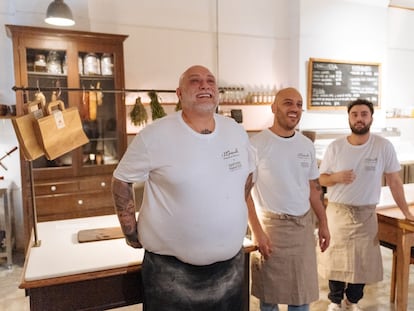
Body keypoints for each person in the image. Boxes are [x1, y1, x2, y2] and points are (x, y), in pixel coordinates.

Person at [111, 65, 256, 311]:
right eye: (195, 81)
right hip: (169, 275)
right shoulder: (154, 135)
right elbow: (121, 180)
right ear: (179, 93)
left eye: (210, 81)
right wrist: (130, 232)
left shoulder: (235, 131)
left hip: (230, 269)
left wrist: (232, 213)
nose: (205, 85)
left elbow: (248, 176)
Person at [318, 98, 414, 311]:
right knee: (336, 261)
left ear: (371, 118)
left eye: (364, 114)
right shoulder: (335, 147)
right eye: (355, 114)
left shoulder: (382, 146)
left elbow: (394, 181)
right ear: (349, 118)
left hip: (366, 215)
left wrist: (406, 211)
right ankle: (334, 303)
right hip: (338, 213)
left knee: (361, 263)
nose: (359, 118)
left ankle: (352, 302)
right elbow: (321, 179)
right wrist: (337, 177)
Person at [247, 87, 330, 311]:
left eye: (299, 104)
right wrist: (257, 232)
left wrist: (323, 223)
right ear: (274, 107)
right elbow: (243, 194)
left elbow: (314, 189)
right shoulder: (256, 145)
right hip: (270, 228)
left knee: (301, 297)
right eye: (288, 103)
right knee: (269, 297)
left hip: (302, 228)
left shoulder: (306, 145)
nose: (294, 109)